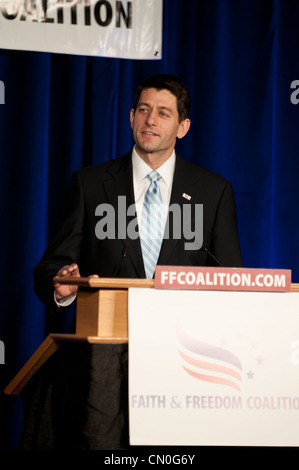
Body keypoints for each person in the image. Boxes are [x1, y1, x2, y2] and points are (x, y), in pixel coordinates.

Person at [34, 73, 243, 312]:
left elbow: (231, 278)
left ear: (182, 128)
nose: (150, 120)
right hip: (105, 338)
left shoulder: (213, 192)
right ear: (132, 117)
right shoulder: (89, 184)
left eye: (163, 113)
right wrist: (60, 282)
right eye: (144, 110)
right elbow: (51, 266)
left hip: (180, 341)